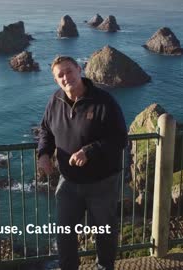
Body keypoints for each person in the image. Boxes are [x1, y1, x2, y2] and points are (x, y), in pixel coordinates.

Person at [37, 56, 128, 270]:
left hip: (102, 182)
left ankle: (104, 267)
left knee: (104, 232)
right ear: (56, 80)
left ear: (79, 69)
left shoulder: (104, 101)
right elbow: (46, 131)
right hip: (68, 182)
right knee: (64, 232)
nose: (66, 77)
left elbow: (119, 138)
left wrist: (90, 151)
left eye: (69, 71)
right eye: (60, 75)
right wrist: (43, 154)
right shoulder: (55, 101)